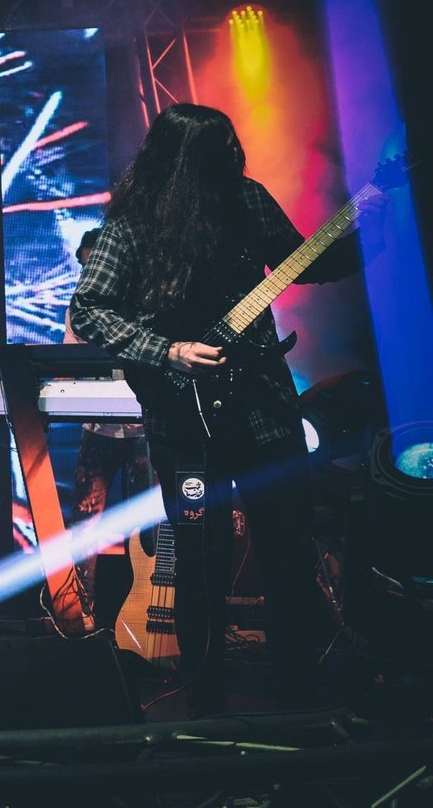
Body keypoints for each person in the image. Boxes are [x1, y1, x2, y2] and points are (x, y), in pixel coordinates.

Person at [70, 104, 377, 715]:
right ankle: (202, 706)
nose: (232, 160)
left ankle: (299, 699)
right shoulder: (131, 225)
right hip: (183, 418)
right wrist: (169, 350)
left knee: (288, 549)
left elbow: (306, 263)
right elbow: (89, 310)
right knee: (197, 561)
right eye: (218, 151)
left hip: (263, 404)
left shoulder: (247, 201)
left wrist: (372, 231)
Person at [64, 227, 153, 616]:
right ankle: (79, 613)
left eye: (92, 265)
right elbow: (68, 362)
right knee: (85, 522)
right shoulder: (80, 309)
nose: (87, 274)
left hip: (145, 427)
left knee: (150, 524)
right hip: (99, 427)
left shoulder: (145, 304)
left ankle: (150, 609)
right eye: (83, 267)